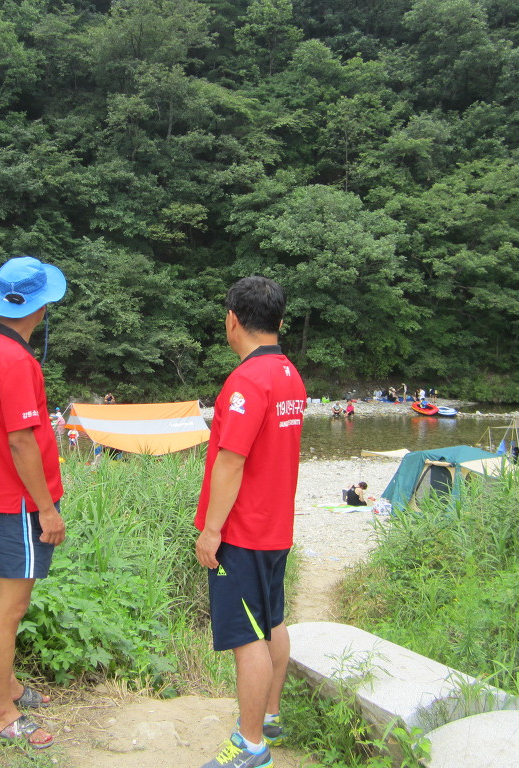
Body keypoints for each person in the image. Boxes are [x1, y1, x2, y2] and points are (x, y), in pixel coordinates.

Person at [195, 276, 306, 768]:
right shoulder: (289, 374)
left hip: (243, 531)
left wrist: (211, 529)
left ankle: (251, 744)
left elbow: (231, 460)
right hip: (276, 527)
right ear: (279, 321)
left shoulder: (246, 381)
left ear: (232, 320)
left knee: (247, 637)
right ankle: (271, 715)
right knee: (272, 620)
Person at [0, 255, 67, 750]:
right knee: (10, 606)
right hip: (19, 501)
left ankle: (6, 687)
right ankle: (1, 713)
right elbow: (21, 440)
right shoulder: (16, 361)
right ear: (40, 306)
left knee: (12, 600)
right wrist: (46, 508)